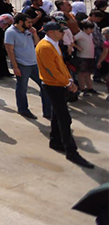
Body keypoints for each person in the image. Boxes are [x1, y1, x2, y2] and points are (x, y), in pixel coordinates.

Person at [36, 21, 94, 168]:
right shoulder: (45, 47)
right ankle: (71, 152)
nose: (63, 33)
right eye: (60, 31)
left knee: (57, 114)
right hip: (53, 85)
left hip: (59, 84)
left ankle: (55, 141)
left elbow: (60, 65)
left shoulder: (54, 43)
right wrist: (68, 84)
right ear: (50, 32)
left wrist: (68, 80)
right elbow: (52, 71)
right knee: (64, 118)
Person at [5, 12, 50, 119]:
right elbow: (10, 51)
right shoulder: (10, 32)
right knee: (22, 88)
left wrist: (35, 34)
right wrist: (15, 67)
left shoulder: (28, 31)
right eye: (28, 22)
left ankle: (48, 111)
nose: (31, 24)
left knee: (45, 85)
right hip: (22, 64)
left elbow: (37, 44)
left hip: (34, 63)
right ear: (21, 22)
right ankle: (23, 109)